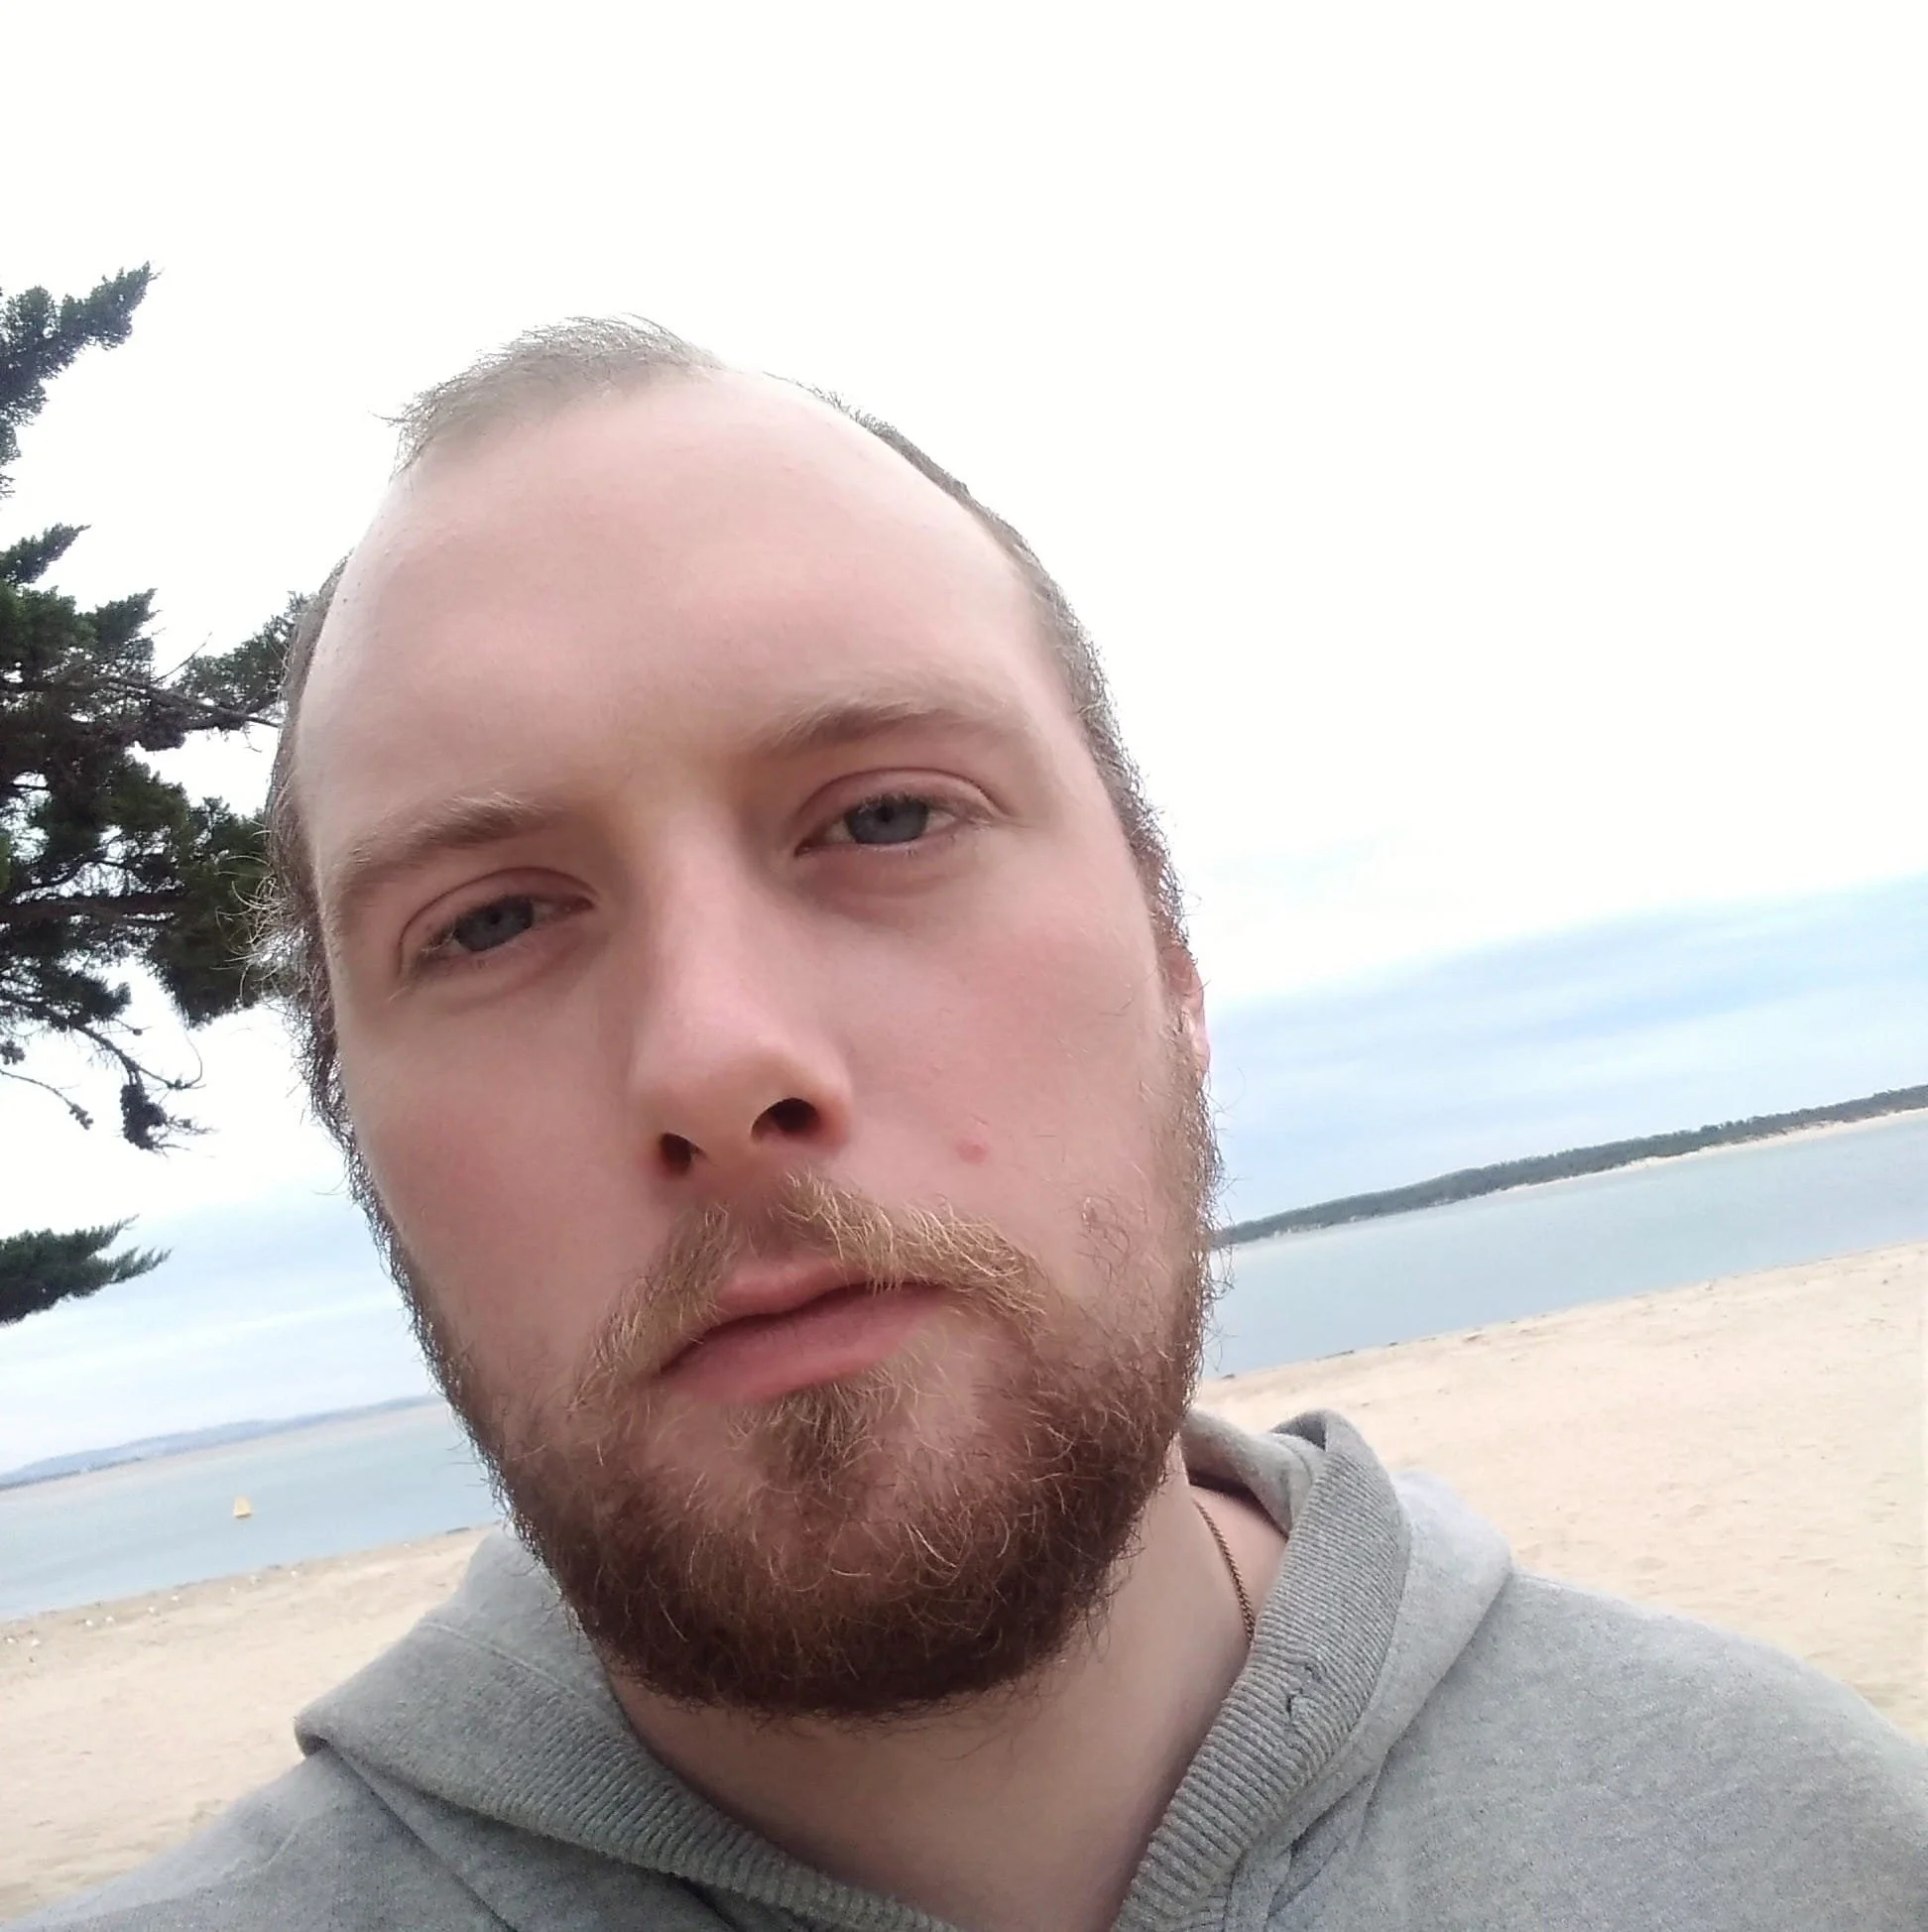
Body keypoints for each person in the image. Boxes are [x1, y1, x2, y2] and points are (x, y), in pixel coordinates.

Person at [19, 319, 1923, 1932]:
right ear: (366, 1155)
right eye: (493, 921)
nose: (715, 1057)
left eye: (886, 817)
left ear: (1173, 962)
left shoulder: (1816, 1844)